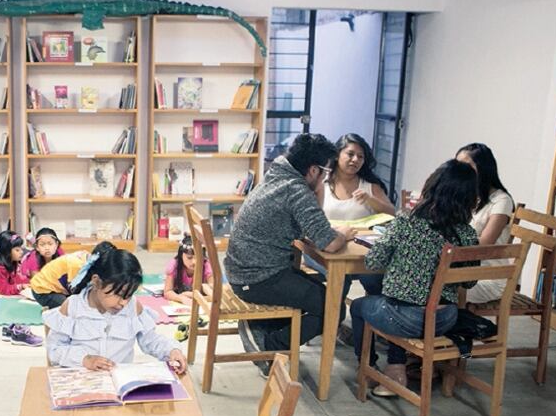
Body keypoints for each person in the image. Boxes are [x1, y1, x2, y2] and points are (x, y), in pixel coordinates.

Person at [44, 243, 188, 416]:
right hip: (83, 386)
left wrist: (171, 350)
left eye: (129, 295)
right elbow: (54, 349)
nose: (123, 303)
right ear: (97, 282)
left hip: (121, 387)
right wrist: (84, 359)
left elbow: (150, 339)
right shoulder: (72, 307)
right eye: (119, 295)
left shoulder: (131, 307)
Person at [224, 133, 358, 366]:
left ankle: (262, 327)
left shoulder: (277, 174)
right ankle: (269, 346)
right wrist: (344, 234)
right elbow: (330, 243)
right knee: (333, 309)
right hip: (258, 278)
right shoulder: (296, 190)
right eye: (326, 173)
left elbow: (309, 228)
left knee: (324, 294)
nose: (327, 179)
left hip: (245, 271)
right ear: (314, 171)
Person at [350, 159, 480, 396]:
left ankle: (369, 369)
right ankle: (396, 368)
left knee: (361, 306)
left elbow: (373, 262)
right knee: (390, 299)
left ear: (432, 187)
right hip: (444, 318)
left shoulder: (408, 222)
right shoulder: (467, 234)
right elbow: (469, 282)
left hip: (406, 319)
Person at [311, 133, 393, 320]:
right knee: (342, 277)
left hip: (360, 252)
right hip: (326, 249)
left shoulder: (369, 186)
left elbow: (391, 214)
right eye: (350, 154)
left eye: (361, 156)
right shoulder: (321, 182)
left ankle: (373, 324)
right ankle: (333, 322)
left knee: (375, 278)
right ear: (337, 154)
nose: (355, 160)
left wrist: (371, 200)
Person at [455, 143, 515, 304]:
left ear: (483, 169)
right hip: (460, 270)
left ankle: (443, 326)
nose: (459, 171)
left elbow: (484, 244)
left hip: (487, 277)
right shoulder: (466, 195)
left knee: (433, 286)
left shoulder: (502, 201)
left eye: (466, 166)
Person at [29, 240, 115, 310]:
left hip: (56, 286)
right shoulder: (78, 266)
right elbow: (76, 292)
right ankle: (48, 313)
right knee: (72, 309)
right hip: (42, 290)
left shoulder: (88, 257)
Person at [163, 234, 213, 306]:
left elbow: (215, 296)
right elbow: (167, 292)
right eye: (189, 258)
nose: (194, 262)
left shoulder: (207, 267)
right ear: (181, 255)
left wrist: (192, 295)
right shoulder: (174, 265)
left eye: (198, 257)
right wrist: (181, 298)